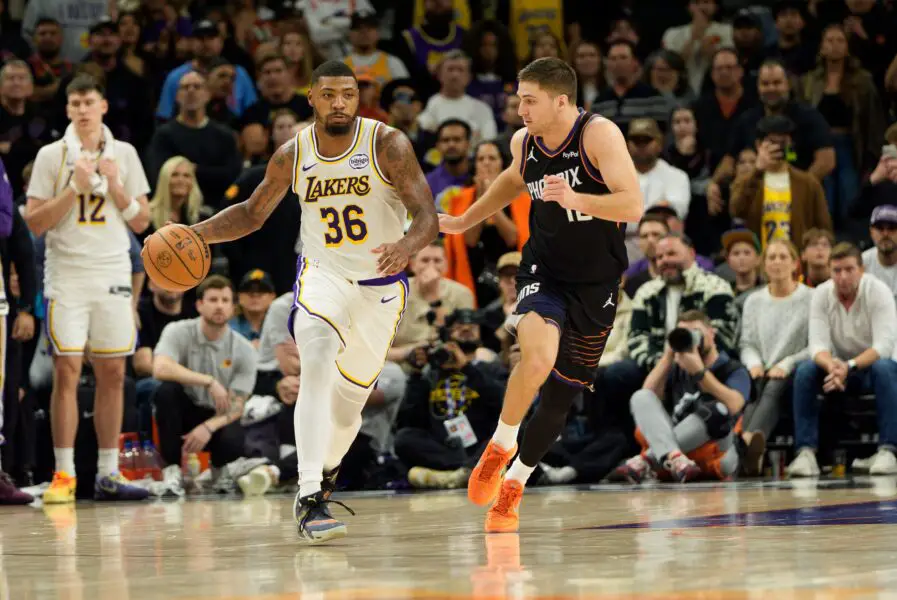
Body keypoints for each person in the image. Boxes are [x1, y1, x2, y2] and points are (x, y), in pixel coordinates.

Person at [184, 61, 439, 542]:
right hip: (323, 274)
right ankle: (307, 495)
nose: (339, 102)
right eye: (329, 94)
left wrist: (407, 246)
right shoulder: (294, 153)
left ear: (357, 98)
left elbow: (426, 213)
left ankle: (323, 474)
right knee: (316, 357)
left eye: (348, 94)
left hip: (380, 287)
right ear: (312, 99)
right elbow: (251, 213)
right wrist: (193, 234)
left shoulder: (387, 144)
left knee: (347, 411)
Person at [439, 57, 644, 533]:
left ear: (561, 101)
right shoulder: (524, 140)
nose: (519, 108)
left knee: (558, 399)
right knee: (534, 359)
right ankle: (500, 445)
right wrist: (467, 218)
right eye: (518, 98)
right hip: (544, 270)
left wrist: (575, 199)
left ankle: (515, 484)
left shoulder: (599, 135)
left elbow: (632, 203)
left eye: (529, 100)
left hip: (596, 284)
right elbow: (514, 178)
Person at [23, 74, 151, 503]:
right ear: (67, 110)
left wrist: (114, 185)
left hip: (113, 270)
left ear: (103, 107)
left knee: (113, 372)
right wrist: (72, 188)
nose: (82, 110)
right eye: (74, 103)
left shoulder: (126, 154)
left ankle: (108, 473)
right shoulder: (50, 156)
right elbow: (35, 223)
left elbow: (141, 222)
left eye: (88, 101)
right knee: (67, 370)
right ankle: (64, 474)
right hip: (68, 274)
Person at [615, 310, 749, 483]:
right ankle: (674, 457)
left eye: (695, 332)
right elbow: (647, 400)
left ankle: (647, 459)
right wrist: (667, 357)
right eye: (683, 333)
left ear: (711, 333)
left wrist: (700, 373)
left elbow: (734, 405)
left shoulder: (733, 368)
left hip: (715, 451)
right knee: (640, 396)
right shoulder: (676, 368)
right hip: (678, 458)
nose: (690, 338)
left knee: (718, 410)